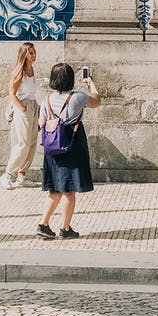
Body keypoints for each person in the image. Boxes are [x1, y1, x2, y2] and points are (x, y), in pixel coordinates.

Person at [37, 62, 100, 240]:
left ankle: (44, 224)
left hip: (52, 149)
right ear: (70, 79)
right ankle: (65, 228)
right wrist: (91, 84)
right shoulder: (77, 97)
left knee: (54, 190)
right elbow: (97, 101)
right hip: (71, 146)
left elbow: (42, 124)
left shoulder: (46, 100)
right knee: (68, 191)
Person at [0, 41, 39, 189]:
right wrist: (22, 108)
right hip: (24, 107)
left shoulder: (32, 70)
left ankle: (22, 175)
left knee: (33, 143)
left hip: (33, 106)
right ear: (24, 54)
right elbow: (12, 93)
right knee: (23, 143)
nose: (34, 55)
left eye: (34, 52)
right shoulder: (19, 72)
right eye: (31, 53)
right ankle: (8, 174)